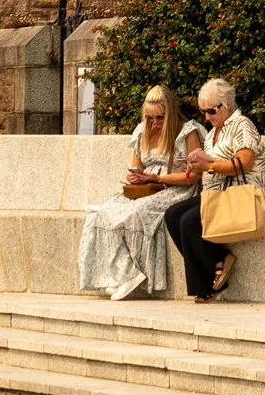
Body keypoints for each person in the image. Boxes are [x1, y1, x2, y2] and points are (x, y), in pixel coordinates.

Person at [79, 84, 207, 300]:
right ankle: (121, 274)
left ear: (171, 113)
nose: (154, 123)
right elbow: (137, 165)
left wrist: (157, 177)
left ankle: (129, 275)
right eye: (150, 118)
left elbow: (194, 176)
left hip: (175, 189)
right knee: (98, 216)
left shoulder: (187, 132)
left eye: (160, 117)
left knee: (133, 213)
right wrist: (135, 176)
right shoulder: (142, 131)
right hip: (147, 188)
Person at [161, 77, 262, 302]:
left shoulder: (242, 124)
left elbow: (245, 162)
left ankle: (208, 284)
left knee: (189, 220)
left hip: (235, 194)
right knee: (172, 214)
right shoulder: (215, 130)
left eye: (211, 111)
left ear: (226, 104)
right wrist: (194, 165)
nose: (207, 117)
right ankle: (219, 260)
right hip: (214, 193)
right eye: (203, 112)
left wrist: (211, 165)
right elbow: (207, 166)